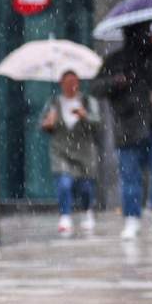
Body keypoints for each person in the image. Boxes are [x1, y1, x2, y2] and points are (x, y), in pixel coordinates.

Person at [100, 27, 152, 240]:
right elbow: (97, 86)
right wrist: (116, 82)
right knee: (130, 177)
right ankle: (132, 217)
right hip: (128, 127)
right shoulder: (115, 60)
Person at [39, 69, 104, 238]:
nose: (71, 86)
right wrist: (49, 123)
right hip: (61, 150)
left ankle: (87, 210)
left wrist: (85, 116)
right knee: (64, 182)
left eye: (74, 82)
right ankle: (65, 215)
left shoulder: (88, 101)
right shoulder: (53, 103)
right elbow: (43, 125)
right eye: (67, 82)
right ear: (61, 84)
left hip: (84, 151)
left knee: (85, 186)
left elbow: (98, 123)